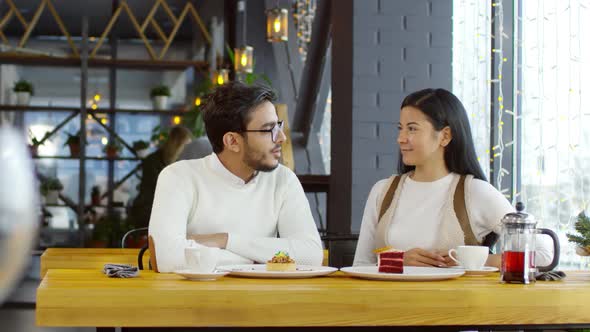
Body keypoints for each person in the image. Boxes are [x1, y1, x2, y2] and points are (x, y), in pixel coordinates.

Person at [353, 88, 553, 268]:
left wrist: (474, 260)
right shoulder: (383, 190)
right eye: (400, 128)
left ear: (445, 135)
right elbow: (361, 264)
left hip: (457, 308)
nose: (401, 138)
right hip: (388, 306)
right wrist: (399, 261)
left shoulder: (475, 192)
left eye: (412, 128)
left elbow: (544, 254)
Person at [148, 82, 323, 272]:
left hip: (264, 301)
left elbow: (311, 255)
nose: (281, 137)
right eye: (268, 129)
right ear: (232, 141)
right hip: (193, 300)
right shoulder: (178, 177)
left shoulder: (283, 180)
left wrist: (224, 240)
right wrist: (258, 261)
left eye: (278, 126)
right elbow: (165, 258)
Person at [128, 125, 192, 228]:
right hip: (149, 212)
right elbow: (159, 189)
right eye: (185, 145)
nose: (186, 150)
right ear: (177, 144)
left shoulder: (170, 161)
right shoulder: (153, 162)